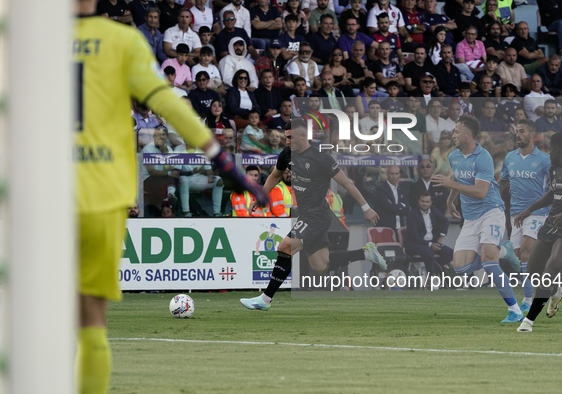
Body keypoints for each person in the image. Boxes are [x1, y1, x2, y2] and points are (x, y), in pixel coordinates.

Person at [75, 2, 266, 391]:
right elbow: (169, 105)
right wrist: (224, 162)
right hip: (101, 193)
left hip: (41, 192)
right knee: (91, 322)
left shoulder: (27, 41)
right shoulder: (121, 40)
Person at [239, 119, 387, 310]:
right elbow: (275, 175)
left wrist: (366, 207)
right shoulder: (287, 154)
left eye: (291, 137)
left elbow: (347, 183)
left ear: (303, 136)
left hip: (317, 216)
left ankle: (265, 299)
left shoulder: (321, 159)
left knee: (285, 246)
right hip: (306, 215)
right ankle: (367, 253)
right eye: (286, 137)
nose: (288, 141)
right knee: (320, 266)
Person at [432, 115, 524, 323]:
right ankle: (504, 250)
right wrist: (450, 201)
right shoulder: (454, 155)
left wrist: (449, 185)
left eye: (456, 131)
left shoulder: (483, 157)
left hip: (491, 211)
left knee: (489, 263)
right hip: (471, 218)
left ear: (468, 134)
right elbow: (458, 177)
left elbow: (481, 192)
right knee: (461, 268)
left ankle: (515, 311)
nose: (453, 135)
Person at [516, 132, 562, 332]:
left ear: (557, 149)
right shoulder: (555, 168)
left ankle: (529, 321)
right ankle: (555, 291)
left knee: (552, 267)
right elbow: (553, 192)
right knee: (532, 273)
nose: (548, 153)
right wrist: (530, 209)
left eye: (550, 149)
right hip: (551, 224)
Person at [499, 119, 552, 313]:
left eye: (521, 131)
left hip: (538, 213)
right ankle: (552, 290)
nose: (517, 135)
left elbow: (555, 186)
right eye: (516, 131)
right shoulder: (510, 158)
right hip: (516, 215)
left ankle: (528, 301)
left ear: (532, 135)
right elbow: (502, 182)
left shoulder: (545, 159)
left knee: (527, 254)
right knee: (518, 258)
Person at [405, 191, 454, 278]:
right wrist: (430, 245)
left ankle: (431, 270)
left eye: (427, 202)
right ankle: (431, 276)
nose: (425, 204)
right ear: (418, 201)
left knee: (451, 253)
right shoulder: (413, 214)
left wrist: (441, 236)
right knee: (429, 253)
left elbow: (445, 221)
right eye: (422, 201)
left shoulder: (433, 210)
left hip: (431, 242)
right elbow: (414, 236)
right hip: (415, 244)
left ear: (431, 202)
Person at [174, 142, 224, 217]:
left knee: (218, 180)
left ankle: (216, 212)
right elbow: (176, 172)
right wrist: (191, 172)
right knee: (183, 179)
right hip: (186, 179)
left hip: (199, 179)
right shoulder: (179, 148)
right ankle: (186, 212)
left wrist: (210, 176)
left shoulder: (201, 150)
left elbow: (209, 170)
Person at [375, 165, 411, 230]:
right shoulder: (381, 189)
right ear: (387, 174)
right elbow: (389, 208)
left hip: (400, 227)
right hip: (385, 228)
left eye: (396, 174)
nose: (394, 176)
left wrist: (394, 206)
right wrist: (401, 205)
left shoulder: (401, 190)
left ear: (400, 174)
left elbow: (407, 209)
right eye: (392, 174)